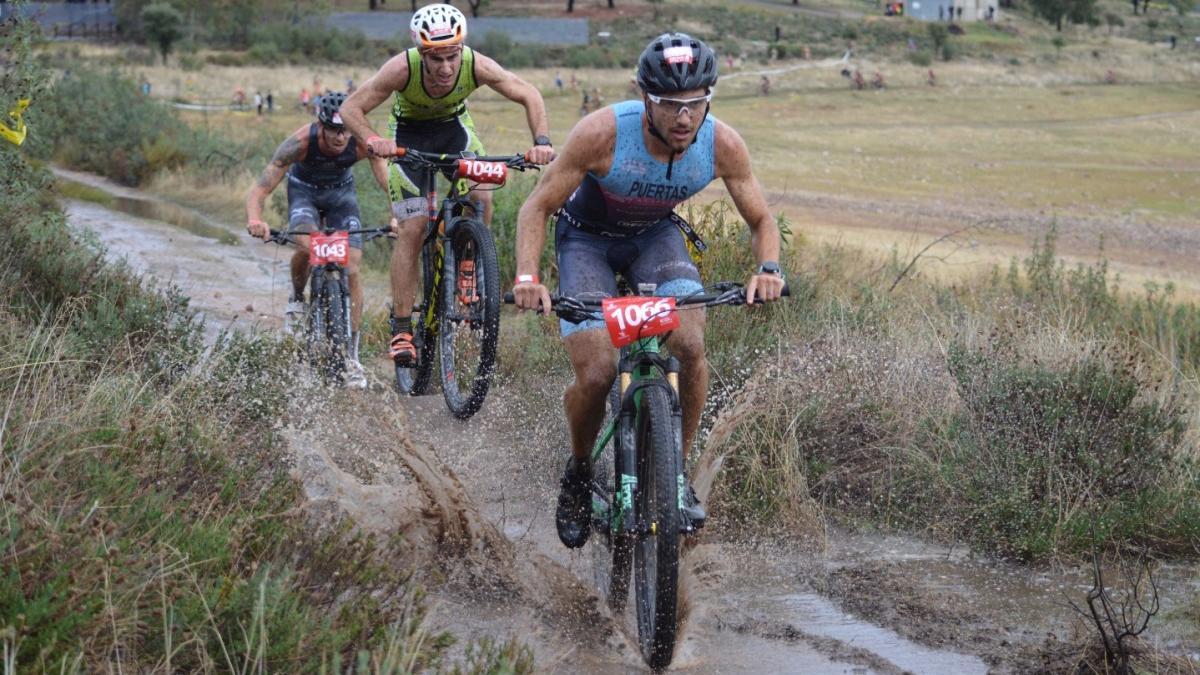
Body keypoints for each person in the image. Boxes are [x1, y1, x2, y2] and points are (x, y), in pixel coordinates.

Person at [511, 33, 786, 549]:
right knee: (595, 373)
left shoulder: (721, 142)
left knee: (690, 343)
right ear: (644, 98)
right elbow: (536, 207)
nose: (684, 117)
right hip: (586, 241)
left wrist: (768, 268)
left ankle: (674, 475)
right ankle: (577, 470)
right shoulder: (602, 133)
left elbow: (761, 217)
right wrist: (528, 277)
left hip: (654, 239)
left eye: (695, 103)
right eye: (668, 105)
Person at [340, 3, 555, 365]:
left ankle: (469, 262)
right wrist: (374, 139)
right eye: (435, 58)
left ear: (461, 50)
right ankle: (403, 328)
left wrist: (543, 142)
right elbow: (350, 109)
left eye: (451, 57)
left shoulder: (476, 64)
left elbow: (528, 94)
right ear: (422, 53)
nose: (445, 67)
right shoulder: (401, 68)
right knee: (413, 228)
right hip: (407, 138)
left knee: (482, 193)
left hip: (454, 132)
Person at [244, 92, 392, 390]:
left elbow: (384, 174)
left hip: (341, 196)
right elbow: (260, 189)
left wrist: (396, 213)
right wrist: (255, 219)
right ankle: (297, 300)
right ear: (320, 125)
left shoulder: (361, 141)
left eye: (345, 130)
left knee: (351, 268)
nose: (340, 138)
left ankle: (351, 356)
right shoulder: (299, 143)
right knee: (306, 244)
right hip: (304, 193)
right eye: (334, 130)